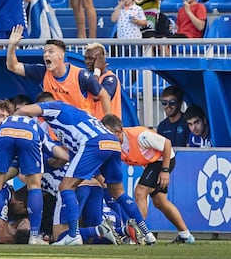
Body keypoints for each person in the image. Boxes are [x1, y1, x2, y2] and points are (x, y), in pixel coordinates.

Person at [15, 94, 156, 246]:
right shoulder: (76, 116)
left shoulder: (53, 107)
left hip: (93, 143)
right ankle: (147, 233)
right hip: (112, 142)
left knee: (66, 187)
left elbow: (23, 110)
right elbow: (73, 156)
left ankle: (73, 235)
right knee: (118, 192)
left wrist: (13, 122)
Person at [0, 111, 65, 245]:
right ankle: (34, 237)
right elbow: (62, 155)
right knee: (34, 186)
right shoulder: (34, 126)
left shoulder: (4, 125)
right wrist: (54, 163)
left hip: (4, 134)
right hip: (29, 136)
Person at [102, 114, 196, 244]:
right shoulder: (113, 144)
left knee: (140, 192)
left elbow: (167, 144)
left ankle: (139, 234)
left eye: (108, 133)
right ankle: (186, 235)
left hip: (163, 160)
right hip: (152, 163)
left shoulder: (141, 136)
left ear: (119, 132)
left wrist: (165, 171)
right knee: (160, 201)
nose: (105, 137)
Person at [6, 25, 112, 116]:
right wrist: (12, 46)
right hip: (55, 132)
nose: (46, 54)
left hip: (79, 128)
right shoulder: (42, 72)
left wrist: (108, 123)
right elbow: (13, 66)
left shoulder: (80, 75)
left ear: (61, 55)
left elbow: (104, 95)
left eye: (51, 51)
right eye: (44, 52)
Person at [84, 43, 122, 120]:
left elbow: (96, 95)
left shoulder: (110, 78)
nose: (87, 62)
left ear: (101, 59)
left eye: (91, 58)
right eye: (86, 58)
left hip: (108, 127)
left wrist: (97, 70)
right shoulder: (90, 77)